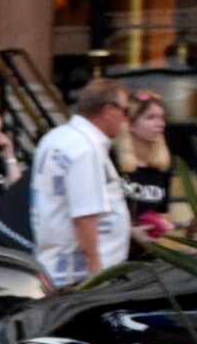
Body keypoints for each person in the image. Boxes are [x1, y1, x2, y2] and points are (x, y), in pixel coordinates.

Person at [30, 78, 133, 286]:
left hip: (54, 267)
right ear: (108, 110)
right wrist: (96, 274)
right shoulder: (86, 147)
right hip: (77, 276)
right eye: (125, 111)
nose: (125, 120)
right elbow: (84, 217)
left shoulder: (55, 137)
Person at [116, 91, 191, 239]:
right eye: (151, 118)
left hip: (149, 251)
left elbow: (159, 214)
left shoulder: (161, 168)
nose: (160, 124)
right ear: (131, 124)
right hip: (118, 251)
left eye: (162, 118)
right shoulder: (114, 164)